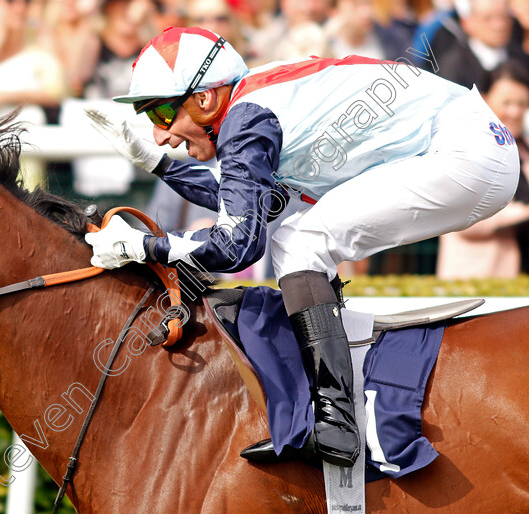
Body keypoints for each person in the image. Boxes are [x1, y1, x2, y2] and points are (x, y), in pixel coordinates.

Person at [84, 26, 519, 467]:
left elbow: (238, 244)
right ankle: (335, 405)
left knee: (300, 241)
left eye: (160, 115)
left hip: (464, 152)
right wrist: (156, 164)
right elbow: (245, 200)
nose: (160, 135)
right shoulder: (253, 106)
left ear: (204, 99)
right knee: (297, 238)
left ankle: (337, 420)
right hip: (474, 145)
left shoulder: (247, 119)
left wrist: (144, 247)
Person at [437, 60, 529, 278]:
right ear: (485, 100)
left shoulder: (524, 150)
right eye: (506, 102)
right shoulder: (465, 145)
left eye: (522, 103)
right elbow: (465, 218)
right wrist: (523, 214)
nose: (514, 112)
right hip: (476, 281)